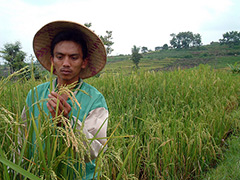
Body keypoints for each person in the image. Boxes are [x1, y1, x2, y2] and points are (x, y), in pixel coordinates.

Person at [21, 21, 108, 179]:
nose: (66, 63)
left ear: (84, 62)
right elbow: (21, 140)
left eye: (74, 57)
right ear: (52, 60)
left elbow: (95, 150)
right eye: (60, 57)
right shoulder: (35, 95)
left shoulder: (95, 100)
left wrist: (69, 124)